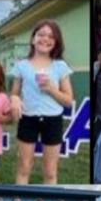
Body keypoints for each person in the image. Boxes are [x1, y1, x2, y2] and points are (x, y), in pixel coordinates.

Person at [9, 20, 74, 184]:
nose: (45, 39)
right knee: (24, 167)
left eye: (51, 36)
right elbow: (14, 93)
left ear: (56, 42)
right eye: (41, 34)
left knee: (50, 171)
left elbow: (68, 100)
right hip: (28, 119)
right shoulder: (21, 66)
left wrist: (52, 89)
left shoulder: (60, 66)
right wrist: (15, 98)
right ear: (33, 39)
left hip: (53, 120)